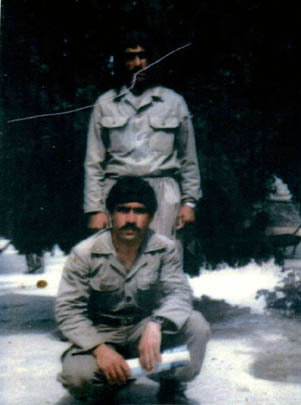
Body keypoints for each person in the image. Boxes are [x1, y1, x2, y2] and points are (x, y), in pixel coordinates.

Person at [56, 177, 210, 404]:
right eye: (123, 210)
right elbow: (68, 310)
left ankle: (171, 382)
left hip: (143, 329)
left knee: (196, 325)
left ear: (151, 217)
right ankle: (110, 383)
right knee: (78, 377)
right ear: (110, 214)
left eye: (139, 211)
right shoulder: (84, 253)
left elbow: (179, 293)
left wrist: (156, 324)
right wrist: (100, 349)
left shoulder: (164, 249)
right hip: (102, 332)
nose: (130, 219)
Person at [84, 31, 200, 249]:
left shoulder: (174, 102)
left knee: (165, 261)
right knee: (118, 264)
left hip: (164, 195)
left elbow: (188, 158)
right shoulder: (105, 104)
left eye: (143, 56)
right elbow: (93, 162)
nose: (138, 63)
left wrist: (189, 203)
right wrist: (95, 209)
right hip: (118, 194)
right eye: (130, 57)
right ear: (121, 61)